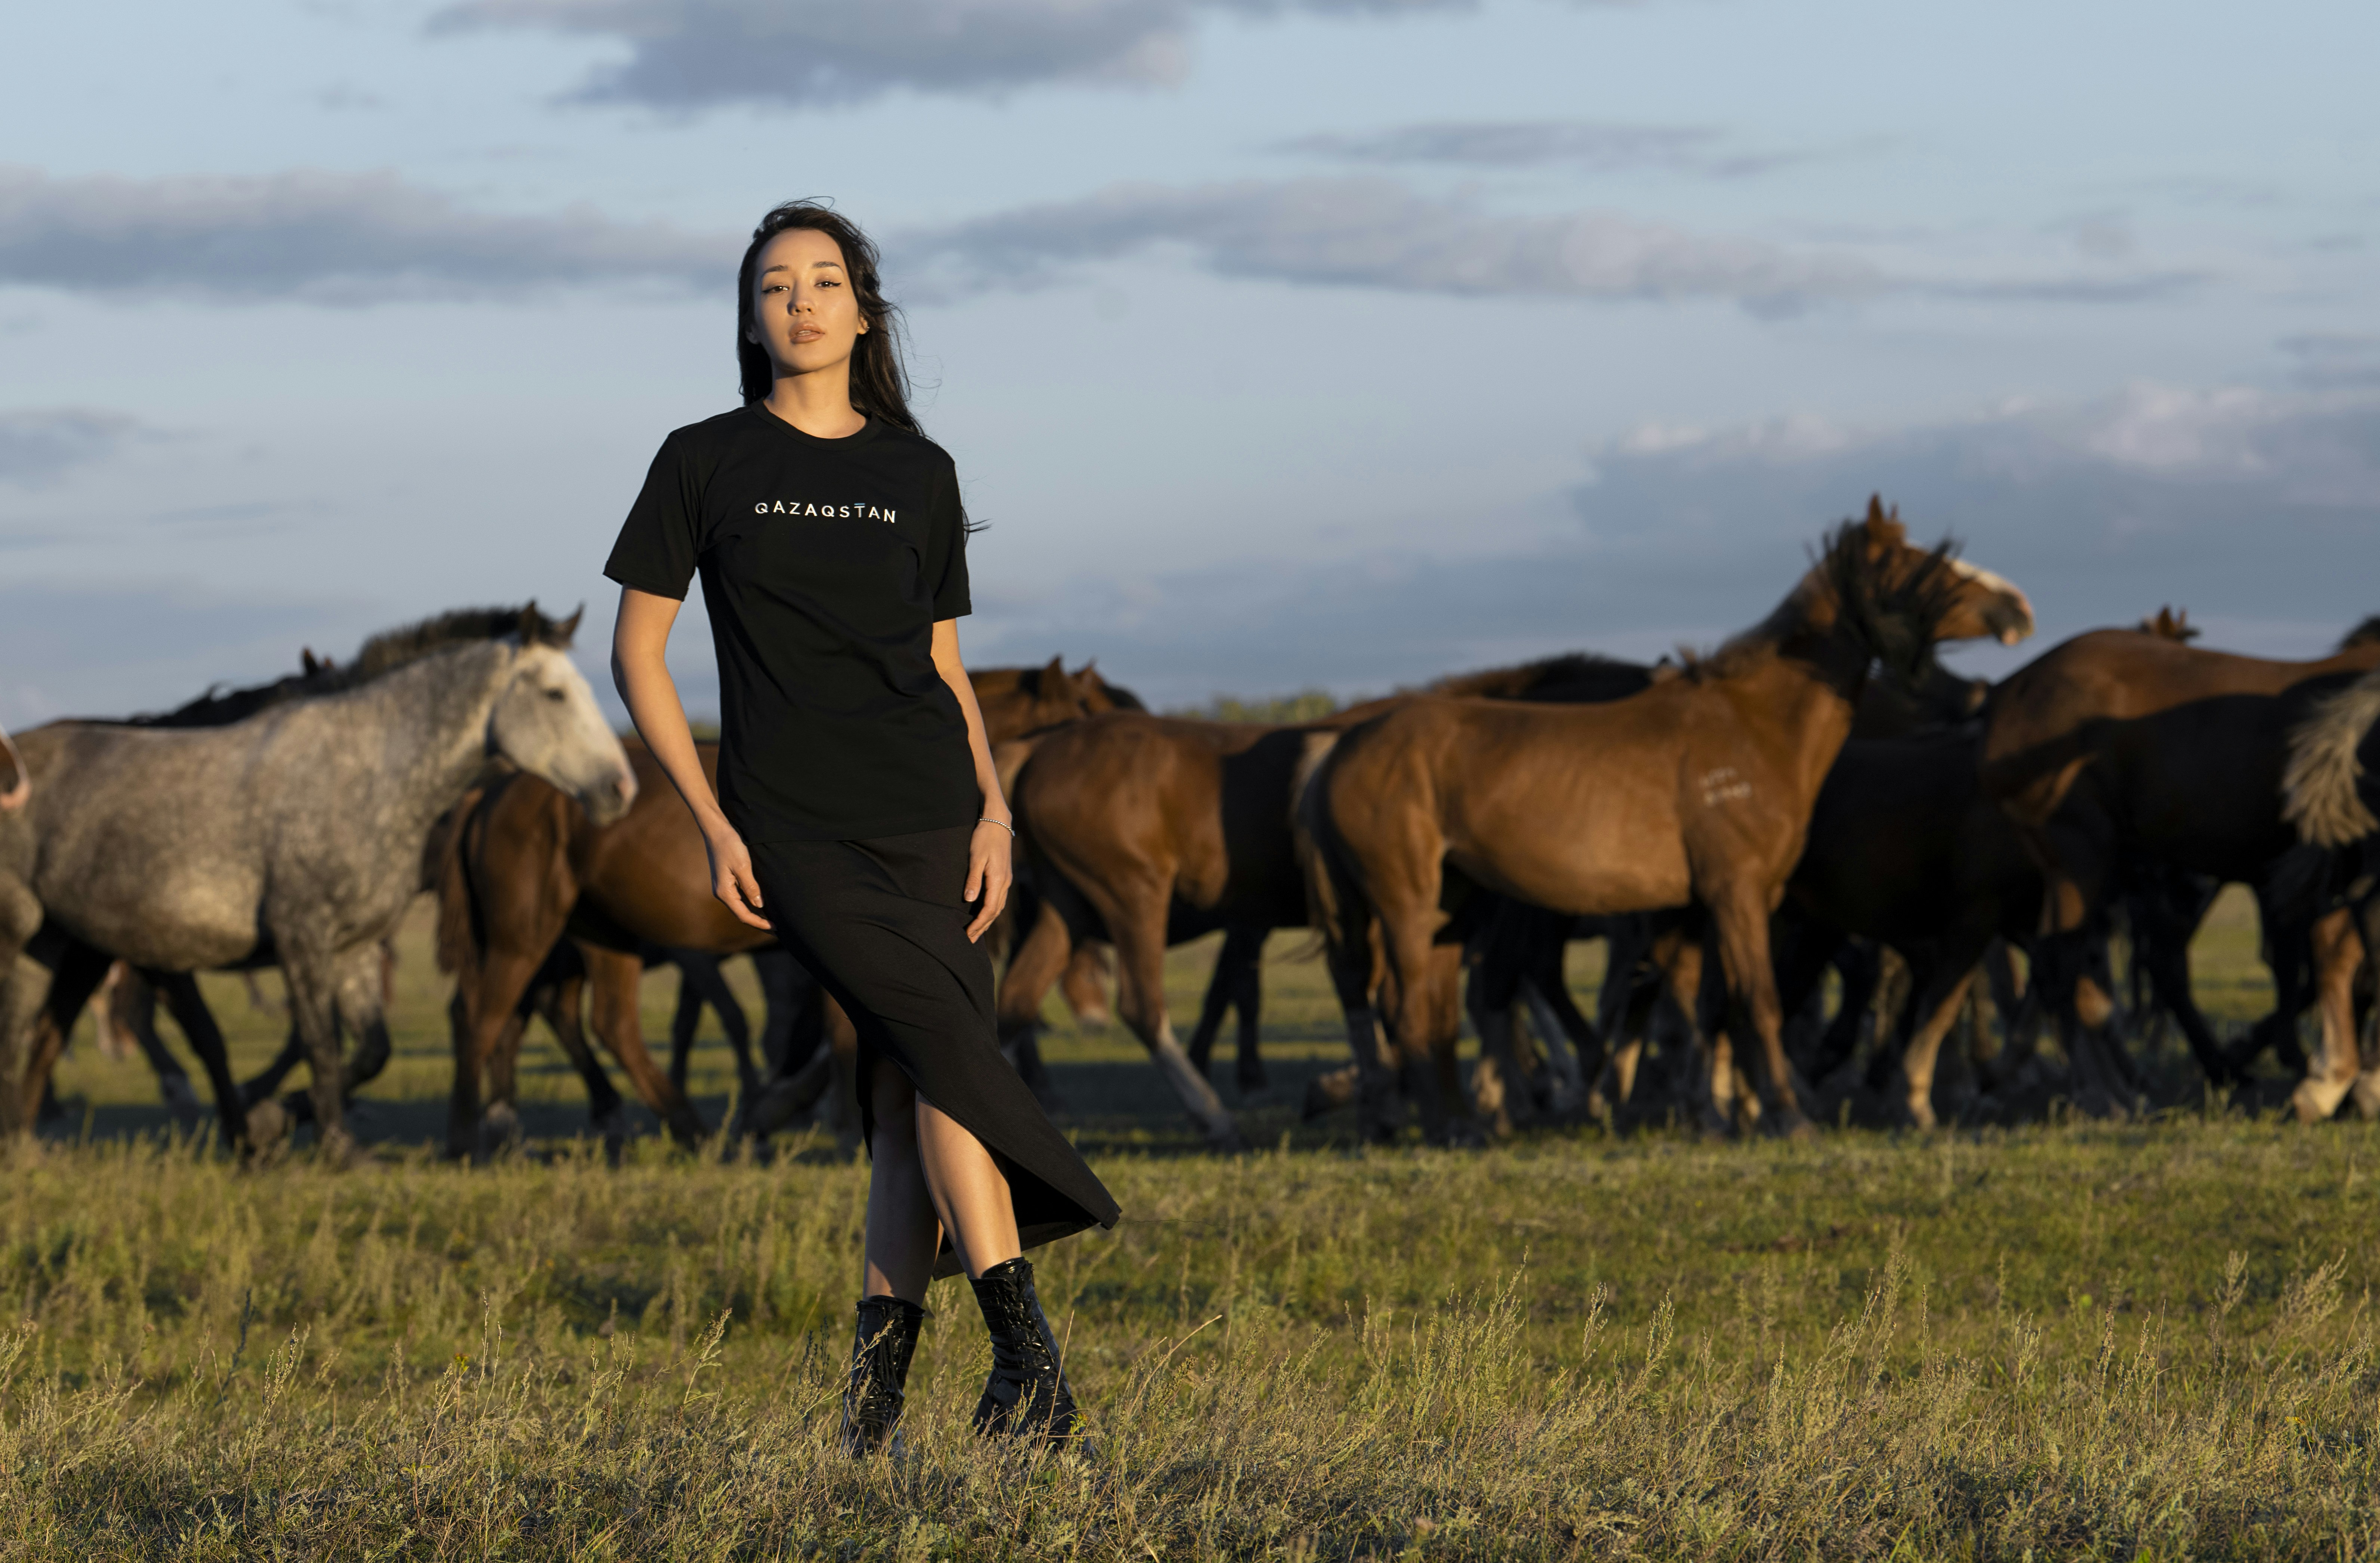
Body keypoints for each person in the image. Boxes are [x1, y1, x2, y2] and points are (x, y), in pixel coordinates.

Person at [604, 200, 1120, 1453]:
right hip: (795, 823)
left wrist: (996, 808)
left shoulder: (918, 471)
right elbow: (637, 657)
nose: (801, 302)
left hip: (934, 815)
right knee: (946, 1055)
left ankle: (869, 1417)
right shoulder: (702, 459)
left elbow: (944, 667)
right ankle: (1028, 1364)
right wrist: (716, 821)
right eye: (775, 285)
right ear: (750, 318)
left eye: (825, 281)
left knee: (902, 1098)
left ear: (863, 310)